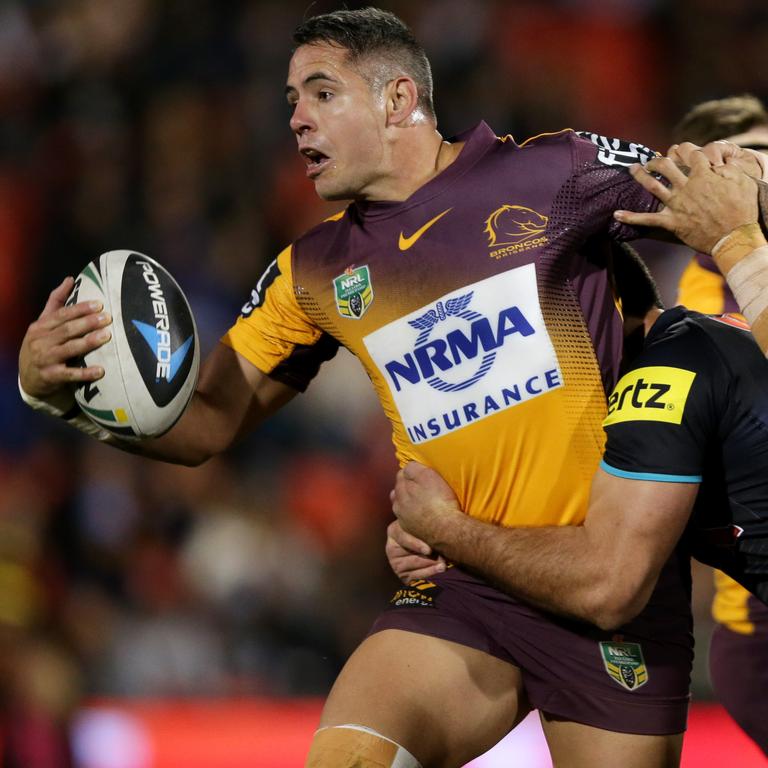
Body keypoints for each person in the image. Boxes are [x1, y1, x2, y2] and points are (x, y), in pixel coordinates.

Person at [18, 7, 750, 767]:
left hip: (608, 587)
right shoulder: (313, 271)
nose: (297, 119)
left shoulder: (554, 172)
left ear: (399, 99)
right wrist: (62, 393)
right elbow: (206, 423)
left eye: (321, 93)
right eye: (291, 101)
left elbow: (716, 196)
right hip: (463, 589)